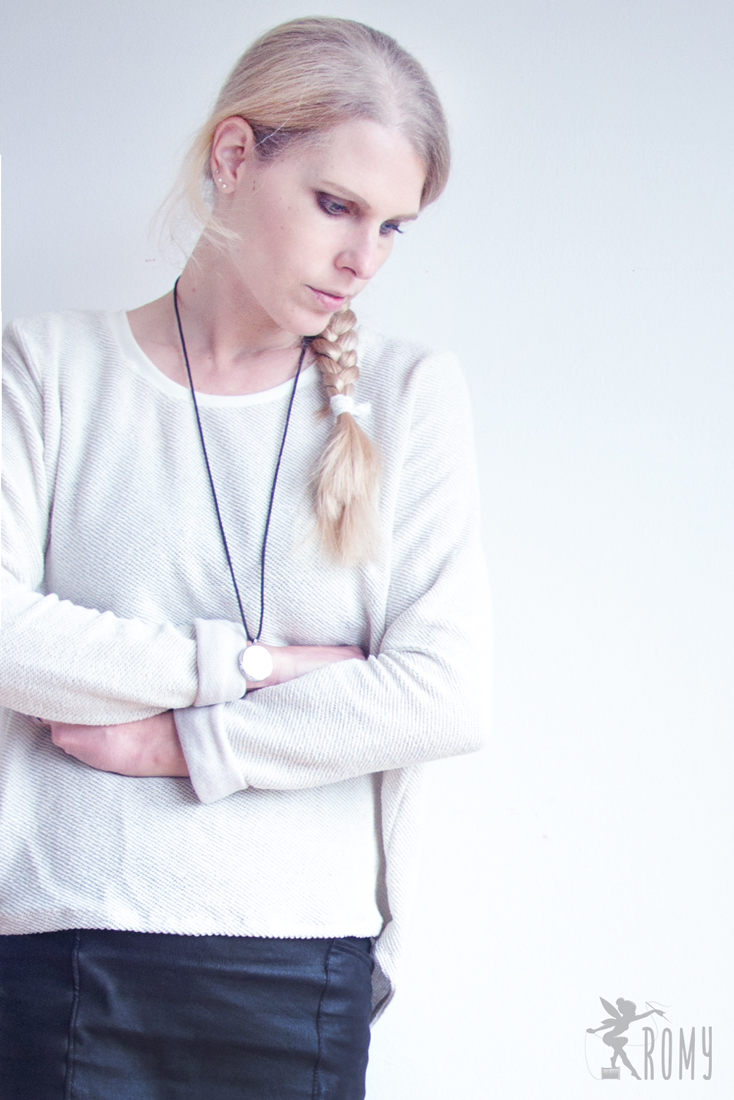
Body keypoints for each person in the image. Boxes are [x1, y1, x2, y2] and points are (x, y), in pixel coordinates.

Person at [0, 16, 490, 1100]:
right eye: (335, 205)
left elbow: (444, 695)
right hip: (66, 942)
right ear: (234, 155)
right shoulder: (47, 368)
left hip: (298, 955)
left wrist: (175, 745)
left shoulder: (408, 394)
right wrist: (250, 667)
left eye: (393, 226)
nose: (363, 258)